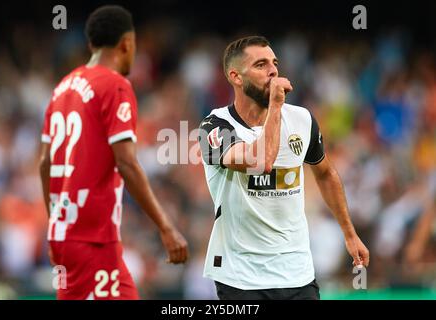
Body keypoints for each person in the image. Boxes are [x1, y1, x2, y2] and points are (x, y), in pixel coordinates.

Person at [198, 36, 369, 300]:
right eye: (260, 64)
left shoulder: (301, 119)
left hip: (297, 273)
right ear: (236, 77)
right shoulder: (215, 127)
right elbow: (260, 162)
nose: (273, 70)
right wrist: (276, 105)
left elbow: (325, 173)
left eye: (274, 63)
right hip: (241, 277)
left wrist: (350, 233)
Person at [39, 5, 188, 300]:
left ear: (91, 44)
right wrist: (166, 226)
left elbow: (45, 163)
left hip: (64, 235)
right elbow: (127, 163)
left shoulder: (62, 88)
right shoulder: (115, 85)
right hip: (94, 238)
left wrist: (54, 221)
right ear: (127, 43)